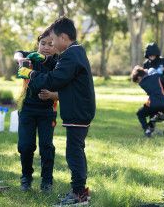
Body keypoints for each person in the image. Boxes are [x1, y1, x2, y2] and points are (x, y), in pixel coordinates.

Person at [17, 17, 95, 205]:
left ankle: (78, 195)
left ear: (63, 37)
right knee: (76, 151)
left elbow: (53, 80)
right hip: (79, 111)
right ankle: (80, 193)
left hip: (77, 112)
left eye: (53, 41)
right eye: (46, 42)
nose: (51, 44)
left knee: (74, 152)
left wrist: (31, 74)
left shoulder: (70, 55)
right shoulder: (75, 52)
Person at [14, 28, 59, 192]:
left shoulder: (57, 63)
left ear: (56, 47)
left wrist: (52, 95)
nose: (46, 47)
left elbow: (66, 89)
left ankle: (47, 182)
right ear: (38, 44)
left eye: (50, 44)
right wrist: (20, 59)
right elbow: (18, 52)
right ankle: (26, 177)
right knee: (25, 146)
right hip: (27, 108)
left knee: (46, 146)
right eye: (43, 43)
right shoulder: (32, 57)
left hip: (48, 111)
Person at [131, 66, 164, 137]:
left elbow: (148, 73)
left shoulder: (142, 84)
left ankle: (147, 129)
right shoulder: (156, 76)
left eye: (137, 81)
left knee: (140, 114)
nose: (138, 83)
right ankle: (158, 116)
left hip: (153, 104)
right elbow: (153, 70)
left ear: (139, 78)